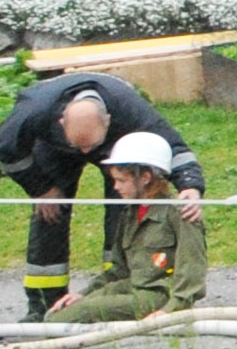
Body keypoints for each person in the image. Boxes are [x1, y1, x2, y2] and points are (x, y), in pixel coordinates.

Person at [0, 73, 206, 321]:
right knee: (47, 215)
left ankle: (125, 287)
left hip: (114, 148)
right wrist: (40, 188)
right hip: (54, 149)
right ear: (61, 122)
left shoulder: (130, 109)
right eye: (79, 145)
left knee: (121, 211)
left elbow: (176, 149)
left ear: (108, 120)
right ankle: (43, 304)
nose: (85, 152)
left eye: (90, 146)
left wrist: (190, 186)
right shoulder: (34, 111)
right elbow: (6, 150)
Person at [50, 131, 208, 322]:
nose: (116, 187)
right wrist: (83, 294)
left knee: (80, 314)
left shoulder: (180, 213)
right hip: (132, 288)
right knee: (59, 313)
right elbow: (119, 271)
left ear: (145, 177)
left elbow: (191, 271)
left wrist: (171, 311)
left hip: (159, 296)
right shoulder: (129, 214)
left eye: (122, 180)